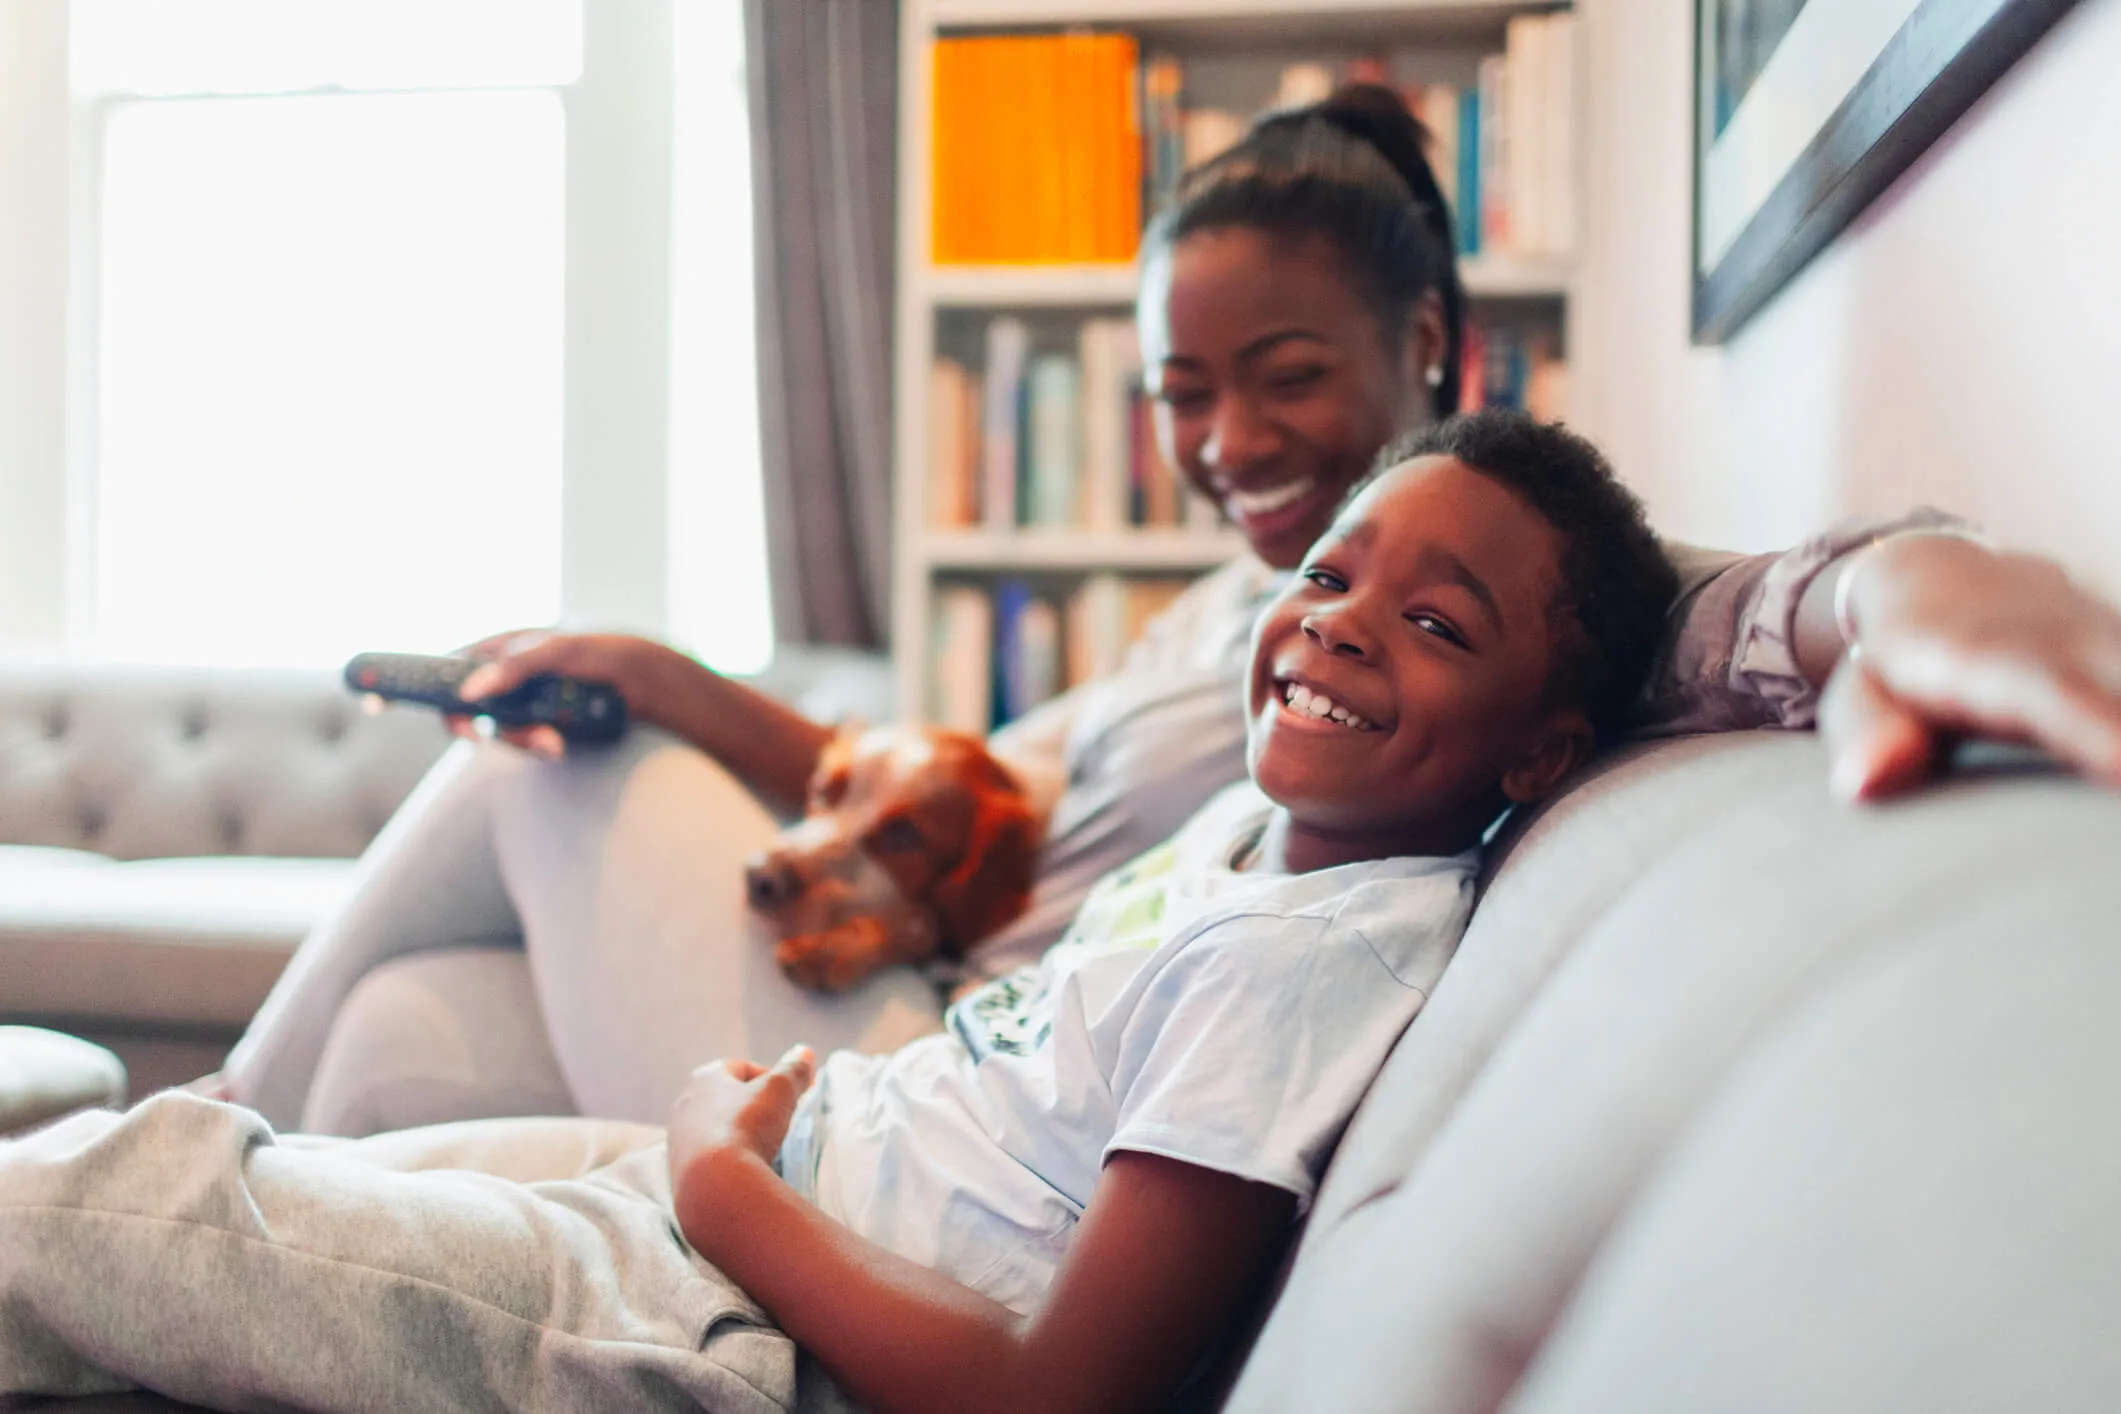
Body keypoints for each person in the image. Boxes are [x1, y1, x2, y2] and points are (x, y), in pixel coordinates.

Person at [218, 84, 2121, 1137]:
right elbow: (957, 792)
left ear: (1431, 347)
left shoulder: (1475, 610)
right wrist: (665, 668)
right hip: (915, 1012)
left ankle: (196, 1119)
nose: (1229, 444)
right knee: (399, 1035)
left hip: (951, 1081)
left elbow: (1732, 607)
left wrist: (1950, 587)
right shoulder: (1223, 616)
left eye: (1283, 374)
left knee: (535, 778)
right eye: (1182, 397)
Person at [0, 411, 1680, 1414]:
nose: (1334, 624)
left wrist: (731, 1196)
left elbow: (1053, 1393)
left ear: (1546, 744)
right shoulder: (1270, 835)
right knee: (310, 1143)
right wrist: (723, 1172)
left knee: (134, 1195)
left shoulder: (1313, 969)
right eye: (1328, 572)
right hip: (757, 1186)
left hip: (740, 1310)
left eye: (1438, 623)